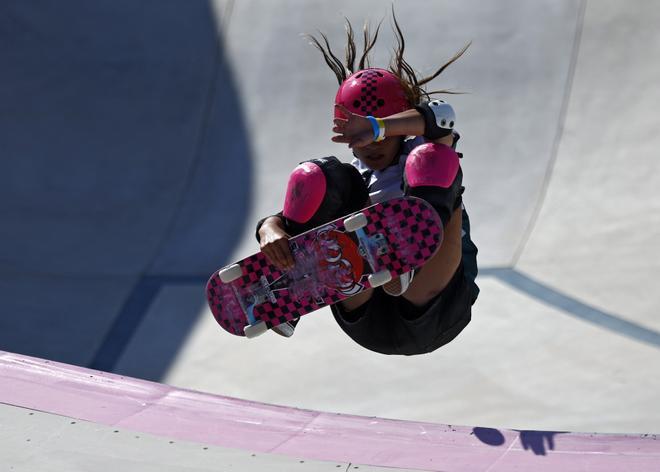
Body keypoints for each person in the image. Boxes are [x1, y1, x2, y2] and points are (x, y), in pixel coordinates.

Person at [255, 13, 479, 355]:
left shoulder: (419, 149)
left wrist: (379, 127)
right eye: (361, 138)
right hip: (367, 317)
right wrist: (269, 230)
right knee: (315, 175)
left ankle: (409, 262)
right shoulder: (353, 181)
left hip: (437, 305)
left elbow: (442, 117)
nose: (372, 147)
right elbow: (280, 219)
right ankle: (288, 295)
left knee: (434, 158)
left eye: (378, 137)